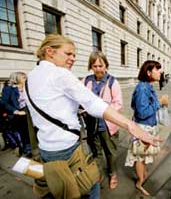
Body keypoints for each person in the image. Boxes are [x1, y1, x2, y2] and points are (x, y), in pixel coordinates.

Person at [25, 34, 160, 199]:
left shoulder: (29, 77)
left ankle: (110, 174)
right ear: (50, 52)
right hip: (68, 148)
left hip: (47, 148)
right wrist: (131, 126)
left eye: (74, 55)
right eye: (68, 54)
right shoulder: (61, 74)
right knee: (90, 187)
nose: (73, 58)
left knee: (75, 180)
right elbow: (91, 103)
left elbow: (50, 108)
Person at [125, 60, 168, 196]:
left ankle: (143, 176)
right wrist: (159, 102)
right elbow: (142, 113)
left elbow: (135, 106)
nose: (160, 72)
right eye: (157, 69)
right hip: (143, 127)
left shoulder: (148, 86)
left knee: (143, 157)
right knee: (140, 157)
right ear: (149, 72)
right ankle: (140, 182)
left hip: (148, 126)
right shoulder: (143, 88)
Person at [82, 51, 123, 190]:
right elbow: (82, 99)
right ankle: (97, 173)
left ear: (106, 65)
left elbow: (118, 104)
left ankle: (113, 174)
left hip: (107, 125)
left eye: (101, 65)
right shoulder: (86, 81)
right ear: (91, 67)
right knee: (95, 151)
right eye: (95, 66)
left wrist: (103, 110)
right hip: (91, 124)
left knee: (110, 152)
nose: (98, 68)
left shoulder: (113, 82)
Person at [1, 71, 31, 157]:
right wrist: (16, 111)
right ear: (17, 79)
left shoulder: (27, 87)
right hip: (16, 112)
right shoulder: (9, 89)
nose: (26, 79)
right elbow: (4, 103)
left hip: (27, 110)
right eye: (24, 78)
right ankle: (27, 147)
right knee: (23, 125)